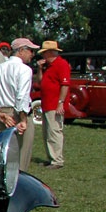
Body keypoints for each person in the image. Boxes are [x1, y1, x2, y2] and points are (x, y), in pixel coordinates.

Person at [0, 38, 37, 170]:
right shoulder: (24, 70)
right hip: (17, 114)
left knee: (2, 155)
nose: (32, 54)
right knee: (21, 157)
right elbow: (22, 97)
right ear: (21, 51)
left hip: (2, 115)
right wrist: (23, 119)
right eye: (31, 51)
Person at [37, 39, 71, 169]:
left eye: (44, 53)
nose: (43, 56)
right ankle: (51, 157)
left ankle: (57, 160)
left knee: (54, 131)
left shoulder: (61, 64)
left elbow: (65, 85)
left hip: (54, 105)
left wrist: (60, 103)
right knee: (47, 132)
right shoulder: (48, 66)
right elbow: (40, 82)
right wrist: (40, 69)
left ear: (50, 52)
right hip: (47, 103)